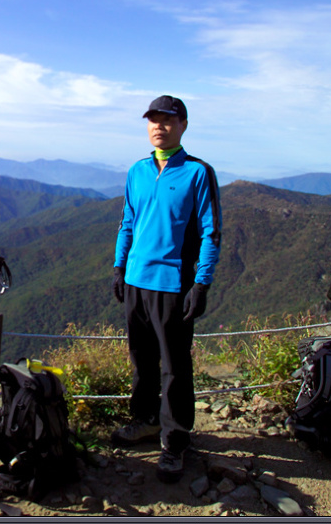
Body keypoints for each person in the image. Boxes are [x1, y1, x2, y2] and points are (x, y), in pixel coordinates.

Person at [111, 94, 222, 483]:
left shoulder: (197, 173)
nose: (160, 126)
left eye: (169, 120)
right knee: (141, 358)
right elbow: (127, 221)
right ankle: (143, 421)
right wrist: (119, 265)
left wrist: (201, 283)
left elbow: (211, 231)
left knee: (174, 367)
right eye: (154, 120)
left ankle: (175, 440)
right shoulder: (137, 171)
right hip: (135, 281)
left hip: (173, 285)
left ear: (183, 125)